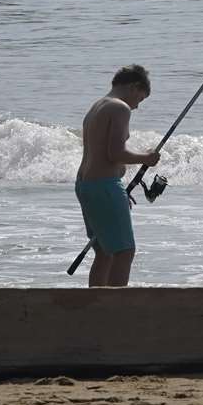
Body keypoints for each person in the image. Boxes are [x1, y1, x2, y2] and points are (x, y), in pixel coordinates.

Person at [76, 65, 161, 288]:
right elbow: (115, 153)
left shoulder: (97, 106)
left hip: (87, 185)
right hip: (104, 186)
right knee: (125, 251)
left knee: (105, 252)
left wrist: (117, 190)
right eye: (140, 100)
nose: (137, 106)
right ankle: (117, 309)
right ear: (134, 87)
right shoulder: (119, 108)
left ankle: (96, 307)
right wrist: (146, 158)